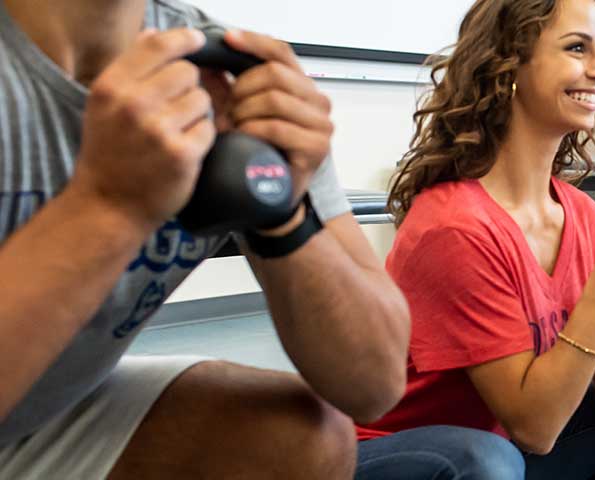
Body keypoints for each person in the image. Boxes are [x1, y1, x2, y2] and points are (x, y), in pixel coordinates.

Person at [0, 0, 412, 478]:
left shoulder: (229, 74)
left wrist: (282, 214)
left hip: (40, 418)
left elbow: (374, 385)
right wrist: (109, 207)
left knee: (295, 435)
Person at [354, 1, 595, 479]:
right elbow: (536, 429)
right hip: (406, 458)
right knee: (487, 462)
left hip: (502, 445)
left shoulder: (579, 213)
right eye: (578, 48)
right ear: (508, 64)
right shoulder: (455, 226)